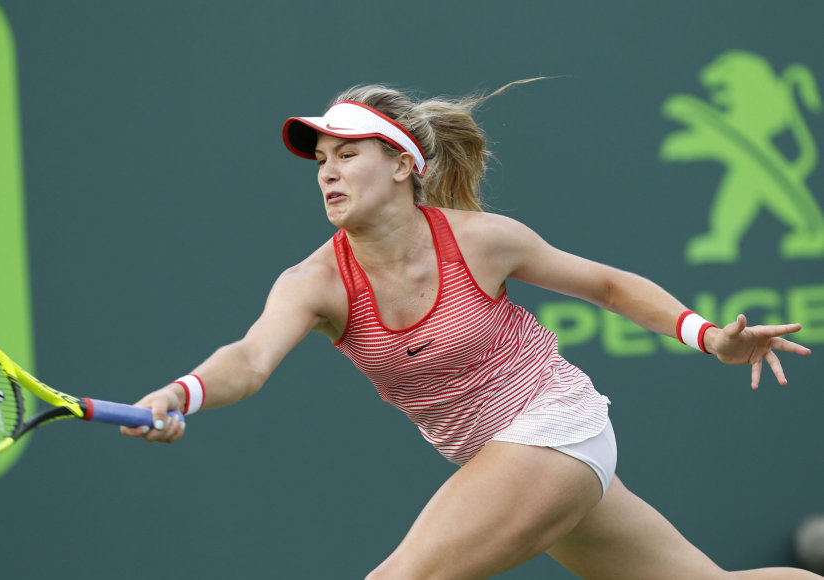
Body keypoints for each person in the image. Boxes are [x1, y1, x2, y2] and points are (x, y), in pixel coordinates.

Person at [121, 81, 817, 580]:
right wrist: (184, 392)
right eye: (321, 160)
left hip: (553, 428)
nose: (327, 172)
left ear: (401, 165)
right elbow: (248, 358)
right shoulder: (314, 282)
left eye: (347, 155)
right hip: (516, 460)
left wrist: (709, 337)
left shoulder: (482, 240)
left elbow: (607, 285)